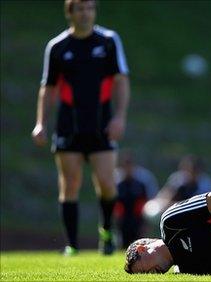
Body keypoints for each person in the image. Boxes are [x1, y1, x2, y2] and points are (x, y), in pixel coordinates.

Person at [31, 0, 130, 256]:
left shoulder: (108, 41)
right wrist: (41, 122)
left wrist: (119, 117)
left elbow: (121, 80)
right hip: (68, 129)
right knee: (70, 184)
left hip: (101, 127)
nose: (85, 13)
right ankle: (72, 245)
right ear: (70, 13)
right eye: (80, 9)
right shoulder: (57, 47)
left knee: (108, 184)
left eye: (90, 8)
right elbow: (48, 88)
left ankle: (107, 233)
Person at [142, 155, 211, 225]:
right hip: (177, 211)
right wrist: (164, 204)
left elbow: (200, 205)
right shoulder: (178, 178)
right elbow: (164, 196)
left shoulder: (204, 183)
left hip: (194, 216)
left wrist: (174, 205)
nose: (187, 173)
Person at [114, 151, 159, 248]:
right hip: (123, 222)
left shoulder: (141, 183)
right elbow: (115, 205)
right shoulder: (118, 184)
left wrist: (146, 223)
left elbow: (149, 203)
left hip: (138, 221)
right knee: (123, 247)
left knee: (140, 248)